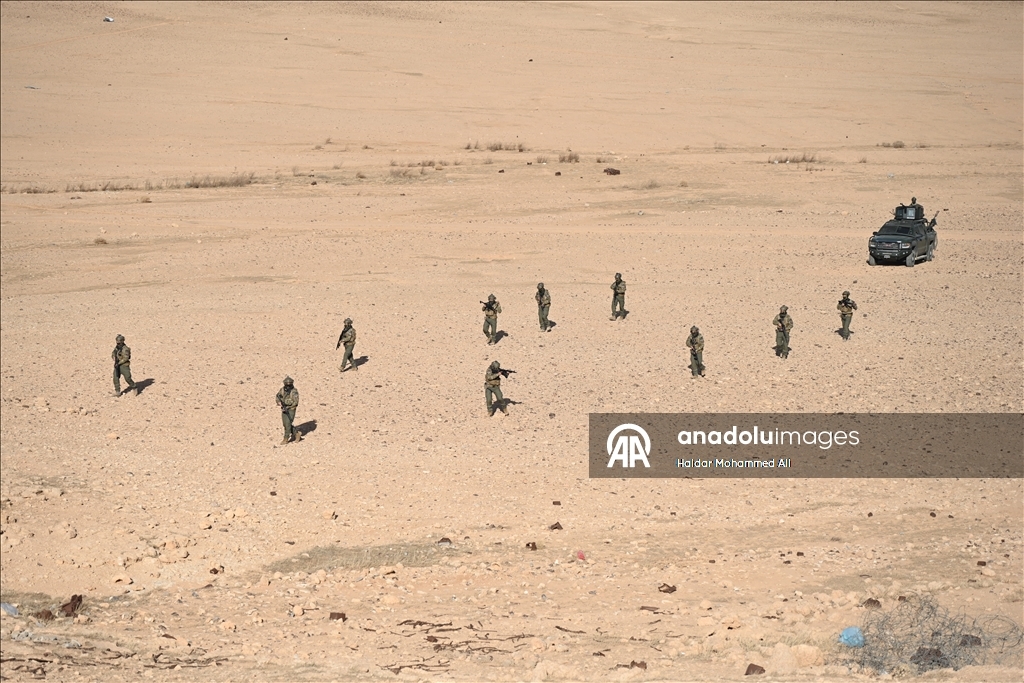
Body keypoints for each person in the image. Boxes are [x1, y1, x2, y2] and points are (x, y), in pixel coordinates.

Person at [275, 376, 301, 444]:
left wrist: (288, 406)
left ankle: (286, 438)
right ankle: (297, 434)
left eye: (289, 384)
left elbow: (296, 402)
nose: (288, 386)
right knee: (285, 424)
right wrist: (279, 402)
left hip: (291, 409)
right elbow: (278, 396)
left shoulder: (294, 391)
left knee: (288, 424)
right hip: (284, 408)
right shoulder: (282, 390)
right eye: (286, 384)